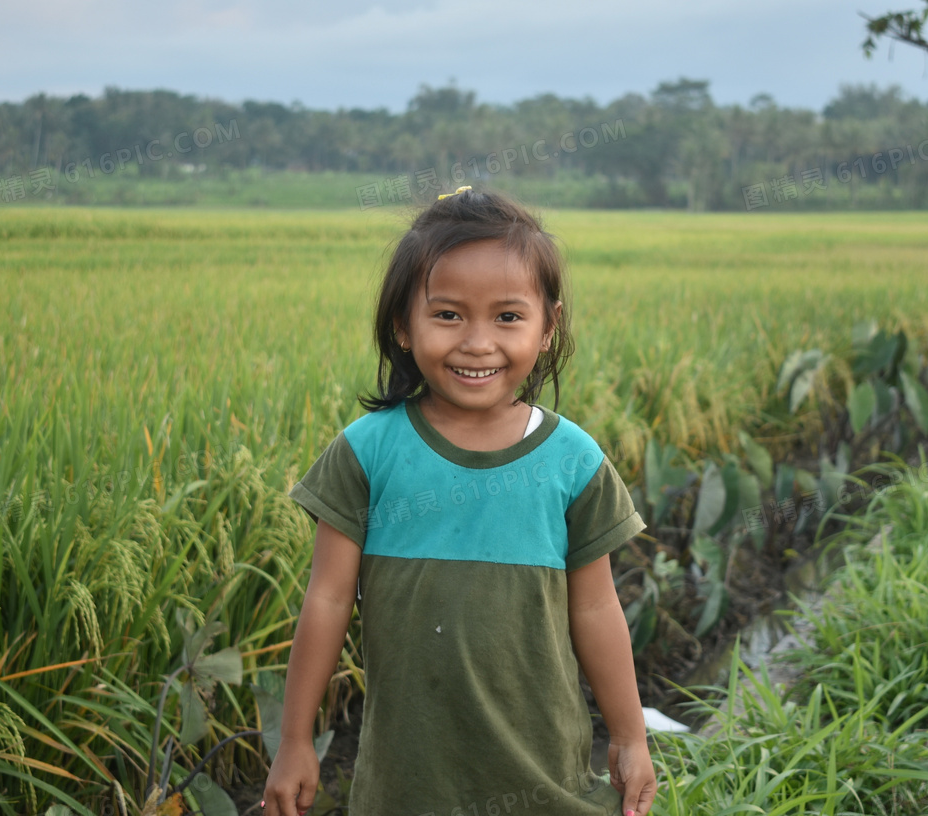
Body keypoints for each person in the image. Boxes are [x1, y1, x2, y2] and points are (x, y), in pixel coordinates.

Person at [262, 186, 657, 816]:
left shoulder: (574, 461)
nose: (477, 343)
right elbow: (328, 599)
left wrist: (631, 735)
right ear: (402, 324)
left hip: (543, 779)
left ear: (548, 327)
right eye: (448, 315)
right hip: (408, 785)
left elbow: (596, 607)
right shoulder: (368, 453)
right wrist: (294, 741)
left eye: (507, 317)